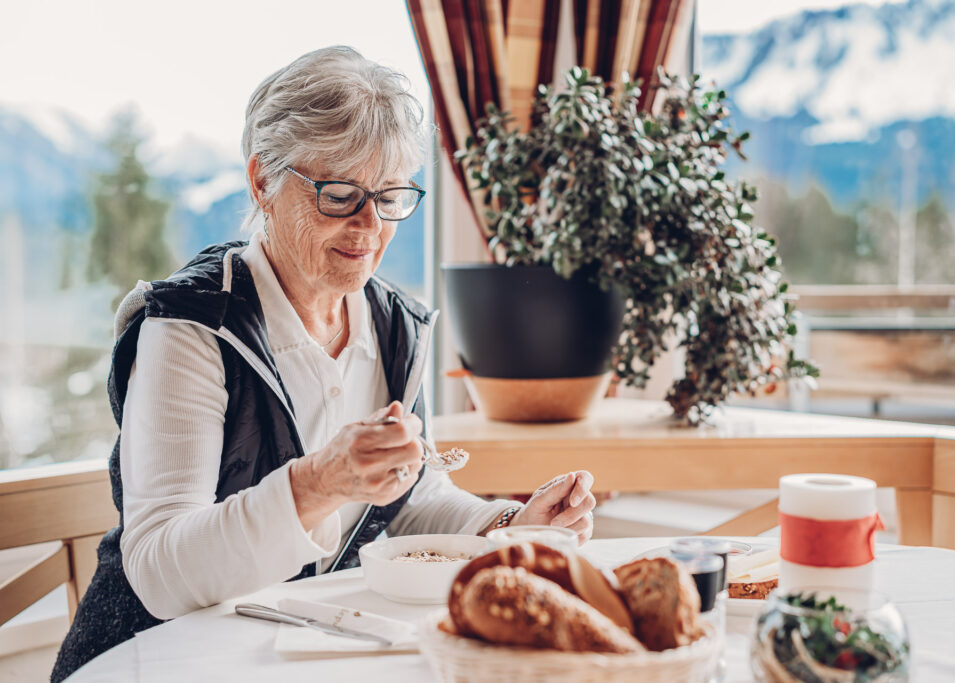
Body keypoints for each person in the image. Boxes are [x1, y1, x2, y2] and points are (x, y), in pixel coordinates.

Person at [52, 46, 596, 681]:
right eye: (340, 195)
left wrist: (506, 526)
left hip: (291, 653)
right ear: (263, 182)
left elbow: (410, 497)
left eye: (390, 195)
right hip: (153, 660)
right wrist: (320, 484)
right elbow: (161, 576)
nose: (370, 225)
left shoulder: (395, 325)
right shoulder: (192, 325)